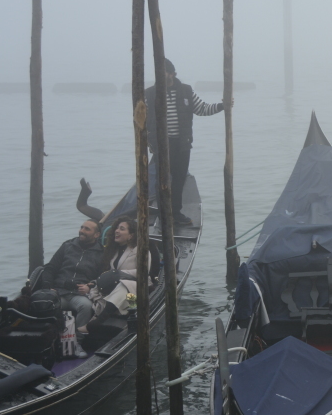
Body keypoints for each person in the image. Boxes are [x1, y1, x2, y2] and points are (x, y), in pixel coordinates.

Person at [145, 58, 226, 226]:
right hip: (161, 144)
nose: (161, 75)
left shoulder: (186, 91)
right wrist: (148, 139)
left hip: (182, 143)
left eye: (164, 72)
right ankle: (164, 214)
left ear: (172, 74)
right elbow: (142, 119)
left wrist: (222, 106)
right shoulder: (150, 93)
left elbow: (202, 109)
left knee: (180, 178)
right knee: (162, 179)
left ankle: (176, 212)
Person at [80, 217, 158, 334]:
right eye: (116, 228)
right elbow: (108, 274)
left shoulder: (141, 249)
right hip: (121, 291)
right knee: (112, 287)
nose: (116, 231)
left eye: (122, 229)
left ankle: (97, 322)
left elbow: (143, 271)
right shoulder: (114, 251)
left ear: (131, 235)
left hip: (139, 292)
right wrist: (95, 282)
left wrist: (118, 275)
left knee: (123, 285)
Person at [38, 219, 104, 330]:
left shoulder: (102, 253)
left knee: (86, 306)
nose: (81, 231)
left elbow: (102, 276)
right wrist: (48, 287)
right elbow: (50, 268)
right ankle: (51, 338)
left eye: (87, 229)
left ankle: (78, 340)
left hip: (79, 295)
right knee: (45, 303)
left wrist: (90, 286)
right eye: (81, 227)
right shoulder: (67, 245)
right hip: (58, 291)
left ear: (97, 234)